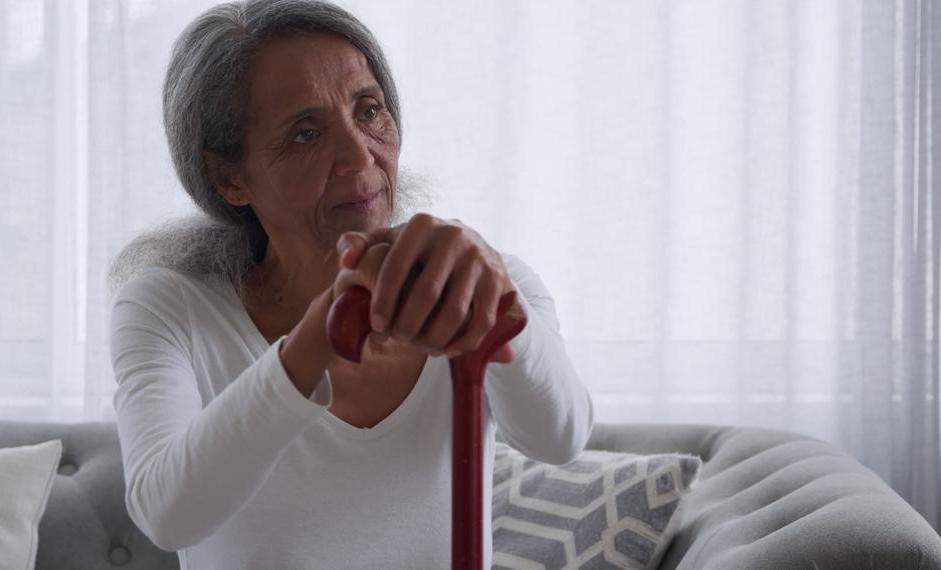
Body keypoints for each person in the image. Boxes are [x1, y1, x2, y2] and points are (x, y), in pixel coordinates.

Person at [107, 0, 594, 567]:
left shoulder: (481, 280)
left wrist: (498, 301)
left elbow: (559, 438)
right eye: (306, 134)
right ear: (229, 177)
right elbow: (168, 513)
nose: (358, 155)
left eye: (369, 111)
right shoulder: (168, 307)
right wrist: (317, 338)